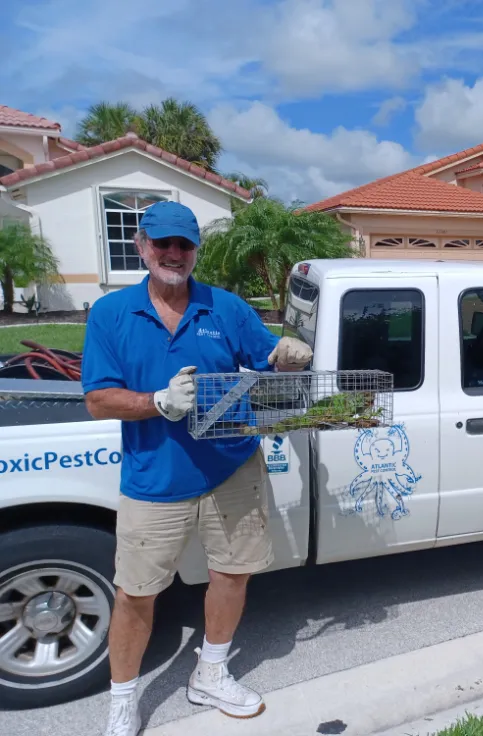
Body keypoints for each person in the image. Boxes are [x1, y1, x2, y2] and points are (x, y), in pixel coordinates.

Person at [80, 201, 313, 736]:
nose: (173, 254)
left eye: (184, 245)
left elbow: (266, 356)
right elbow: (98, 399)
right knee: (137, 593)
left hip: (231, 468)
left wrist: (286, 351)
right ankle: (122, 700)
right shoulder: (112, 314)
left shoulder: (224, 307)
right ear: (141, 247)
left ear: (195, 252)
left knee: (233, 573)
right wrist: (157, 402)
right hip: (154, 478)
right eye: (162, 243)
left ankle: (210, 672)